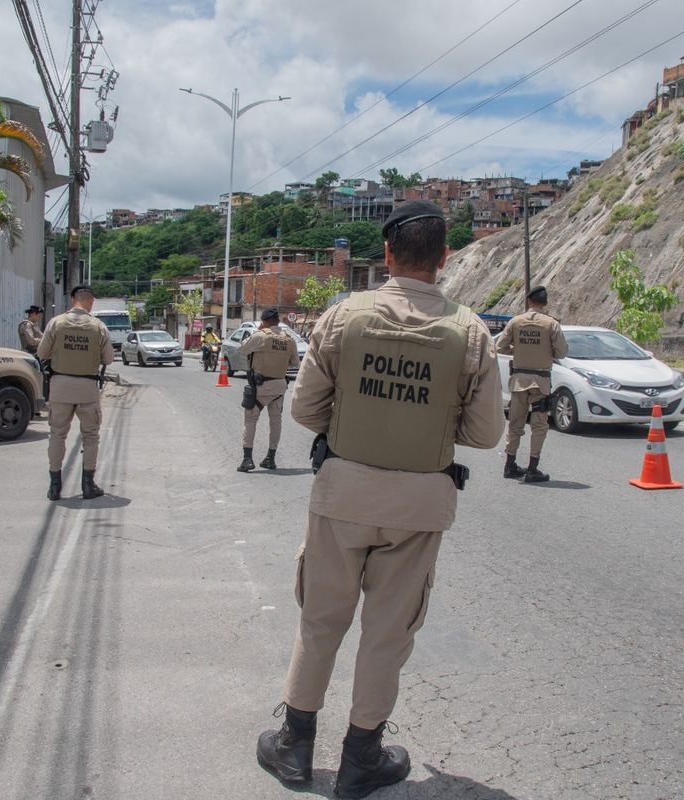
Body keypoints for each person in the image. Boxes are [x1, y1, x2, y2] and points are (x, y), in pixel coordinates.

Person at [255, 200, 504, 798]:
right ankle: (362, 755)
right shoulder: (471, 333)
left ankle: (295, 745)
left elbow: (305, 409)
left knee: (321, 621)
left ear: (387, 255)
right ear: (444, 259)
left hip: (342, 496)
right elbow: (486, 433)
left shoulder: (343, 318)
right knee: (388, 633)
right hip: (419, 506)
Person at [36, 285, 114, 500]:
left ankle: (54, 487)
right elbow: (108, 359)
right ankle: (88, 486)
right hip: (87, 388)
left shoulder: (56, 323)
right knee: (90, 437)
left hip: (60, 386)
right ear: (92, 301)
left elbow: (42, 352)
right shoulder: (98, 327)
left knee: (57, 435)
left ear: (72, 300)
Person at [496, 284, 568, 483]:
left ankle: (509, 465)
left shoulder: (515, 322)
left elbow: (499, 346)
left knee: (515, 424)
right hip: (541, 383)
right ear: (545, 303)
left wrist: (518, 352)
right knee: (539, 426)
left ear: (529, 301)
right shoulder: (551, 324)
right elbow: (562, 352)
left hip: (519, 381)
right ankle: (532, 468)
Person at [237, 308, 299, 472]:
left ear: (264, 321)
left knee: (250, 420)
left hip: (260, 386)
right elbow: (295, 363)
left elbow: (243, 349)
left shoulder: (261, 336)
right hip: (279, 386)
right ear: (277, 321)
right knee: (275, 421)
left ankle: (247, 459)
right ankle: (270, 458)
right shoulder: (289, 340)